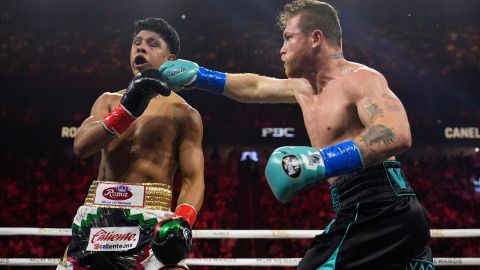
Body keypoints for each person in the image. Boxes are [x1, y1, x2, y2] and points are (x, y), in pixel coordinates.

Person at [158, 1, 434, 269]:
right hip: (365, 208)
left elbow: (396, 132)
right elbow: (255, 87)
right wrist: (201, 76)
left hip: (380, 208)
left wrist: (321, 161)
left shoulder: (360, 79)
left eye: (288, 38)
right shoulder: (302, 88)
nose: (281, 49)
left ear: (315, 38)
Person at [57, 17, 204, 270]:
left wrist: (182, 221)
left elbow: (193, 178)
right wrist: (125, 112)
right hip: (98, 214)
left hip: (152, 216)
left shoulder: (185, 113)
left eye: (152, 43)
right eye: (136, 43)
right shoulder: (108, 101)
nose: (141, 47)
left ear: (170, 61)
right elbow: (81, 147)